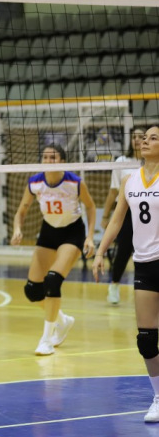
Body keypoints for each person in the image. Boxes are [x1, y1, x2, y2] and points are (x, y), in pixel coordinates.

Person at [93, 125, 159, 422]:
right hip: (144, 264)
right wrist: (99, 252)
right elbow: (117, 221)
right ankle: (158, 397)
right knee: (146, 340)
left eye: (153, 138)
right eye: (144, 137)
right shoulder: (129, 180)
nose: (145, 141)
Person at [11, 143, 96, 356]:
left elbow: (91, 206)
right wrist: (17, 229)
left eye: (53, 157)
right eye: (46, 157)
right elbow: (21, 211)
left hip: (72, 232)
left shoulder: (74, 183)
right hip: (48, 231)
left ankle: (46, 340)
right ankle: (62, 320)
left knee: (53, 280)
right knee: (32, 290)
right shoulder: (35, 182)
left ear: (63, 161)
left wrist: (89, 237)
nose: (49, 161)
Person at [101, 127, 146, 304]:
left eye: (141, 137)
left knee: (148, 253)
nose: (137, 140)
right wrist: (105, 216)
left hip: (150, 214)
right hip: (127, 214)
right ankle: (114, 285)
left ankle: (146, 289)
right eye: (134, 137)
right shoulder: (122, 161)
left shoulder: (153, 161)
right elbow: (113, 191)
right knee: (123, 251)